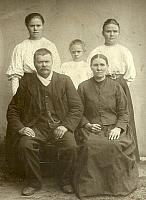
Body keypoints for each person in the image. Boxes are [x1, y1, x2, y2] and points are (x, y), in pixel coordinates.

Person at [6, 48, 83, 196]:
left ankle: (65, 180)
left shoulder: (64, 80)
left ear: (52, 62)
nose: (44, 65)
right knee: (25, 145)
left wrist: (66, 126)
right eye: (40, 62)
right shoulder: (26, 83)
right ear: (34, 64)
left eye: (47, 61)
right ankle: (33, 182)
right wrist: (21, 128)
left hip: (60, 126)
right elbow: (13, 110)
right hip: (36, 128)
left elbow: (77, 107)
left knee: (71, 146)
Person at [73, 54, 138, 199]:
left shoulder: (116, 86)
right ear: (91, 67)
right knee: (90, 145)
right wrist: (88, 125)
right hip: (91, 128)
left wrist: (118, 128)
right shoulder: (83, 87)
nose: (99, 68)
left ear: (107, 67)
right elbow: (78, 111)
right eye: (96, 65)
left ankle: (115, 186)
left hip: (114, 128)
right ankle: (91, 189)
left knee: (114, 145)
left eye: (102, 65)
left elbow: (124, 112)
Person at [87, 18, 139, 161]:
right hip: (100, 82)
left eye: (114, 31)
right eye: (108, 31)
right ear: (102, 32)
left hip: (119, 85)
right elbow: (89, 69)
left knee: (123, 115)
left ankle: (129, 157)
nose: (111, 34)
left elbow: (130, 74)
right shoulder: (97, 51)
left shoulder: (124, 51)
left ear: (119, 33)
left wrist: (119, 83)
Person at [6, 13, 61, 96]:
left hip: (48, 87)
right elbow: (15, 76)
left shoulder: (50, 45)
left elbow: (56, 70)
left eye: (38, 25)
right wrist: (16, 97)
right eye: (32, 26)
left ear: (43, 26)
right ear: (27, 26)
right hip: (27, 88)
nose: (35, 28)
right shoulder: (20, 47)